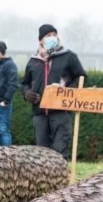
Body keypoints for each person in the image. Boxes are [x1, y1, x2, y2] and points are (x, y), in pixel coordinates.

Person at [22, 24, 87, 160]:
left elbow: (81, 77)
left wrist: (68, 91)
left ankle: (62, 180)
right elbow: (25, 83)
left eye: (54, 34)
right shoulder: (33, 61)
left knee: (60, 150)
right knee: (41, 153)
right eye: (48, 35)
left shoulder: (68, 56)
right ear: (41, 40)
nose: (52, 37)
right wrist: (27, 94)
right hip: (39, 113)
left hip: (61, 112)